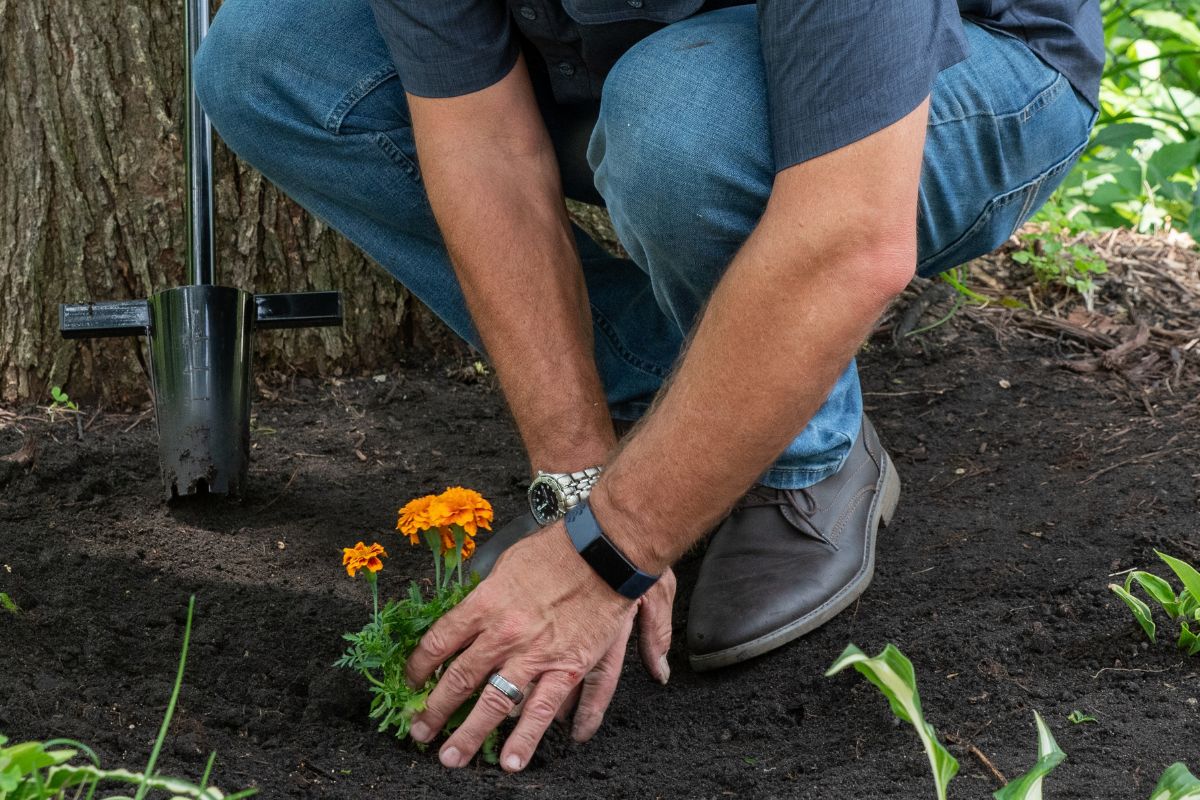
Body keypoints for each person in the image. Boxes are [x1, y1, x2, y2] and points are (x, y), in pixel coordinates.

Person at [194, 0, 1103, 774]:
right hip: (622, 71)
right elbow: (483, 147)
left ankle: (804, 457)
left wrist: (606, 557)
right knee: (273, 56)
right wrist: (581, 489)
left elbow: (851, 233)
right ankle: (683, 401)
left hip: (963, 77)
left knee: (680, 122)